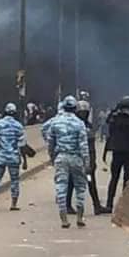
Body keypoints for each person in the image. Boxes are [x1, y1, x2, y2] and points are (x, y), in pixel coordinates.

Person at [44, 95, 90, 229]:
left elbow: (50, 143)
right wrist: (86, 162)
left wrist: (52, 157)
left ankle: (64, 218)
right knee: (80, 187)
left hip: (61, 157)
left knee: (61, 187)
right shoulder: (79, 123)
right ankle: (80, 216)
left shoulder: (55, 122)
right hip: (76, 158)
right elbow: (83, 145)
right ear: (75, 108)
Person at [0, 102, 26, 211]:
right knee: (14, 180)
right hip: (14, 157)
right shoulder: (18, 126)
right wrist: (25, 160)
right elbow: (22, 144)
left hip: (0, 156)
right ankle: (13, 204)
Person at [75, 99, 107, 215]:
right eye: (81, 112)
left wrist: (92, 162)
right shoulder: (74, 125)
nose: (83, 115)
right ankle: (68, 205)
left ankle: (96, 205)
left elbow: (92, 147)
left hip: (87, 161)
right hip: (76, 160)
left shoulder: (89, 126)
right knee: (72, 183)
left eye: (85, 112)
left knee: (90, 182)